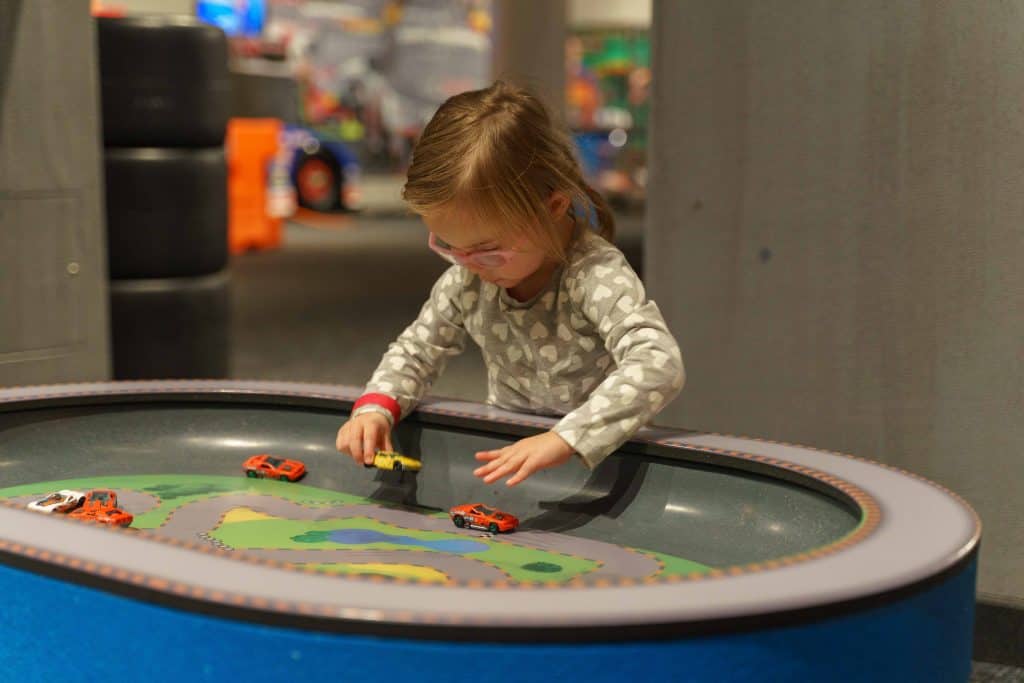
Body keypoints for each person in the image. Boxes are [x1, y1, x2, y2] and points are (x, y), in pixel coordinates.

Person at [336, 80, 684, 486]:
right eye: (448, 245)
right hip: (513, 461)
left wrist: (565, 439)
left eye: (488, 249)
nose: (469, 266)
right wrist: (377, 406)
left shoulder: (593, 275)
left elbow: (659, 363)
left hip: (603, 465)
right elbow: (417, 349)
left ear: (553, 207)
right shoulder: (467, 277)